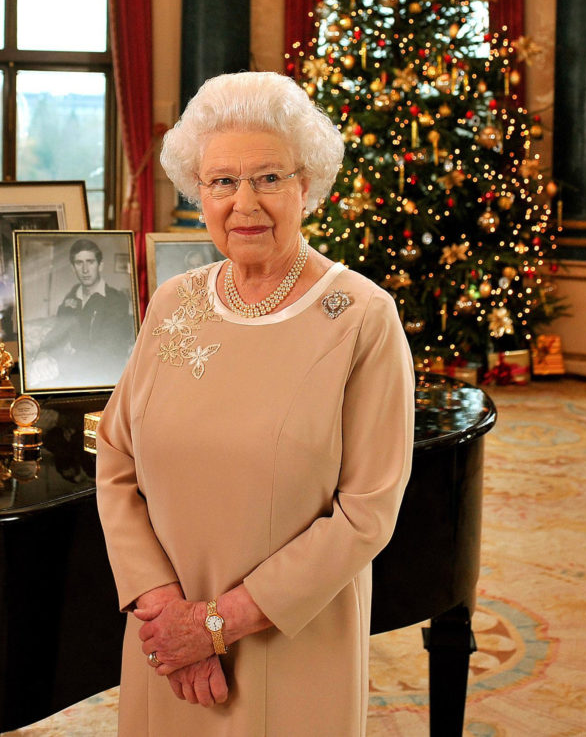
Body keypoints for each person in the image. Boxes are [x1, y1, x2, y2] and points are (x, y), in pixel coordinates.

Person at [95, 71, 415, 735]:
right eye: (222, 182)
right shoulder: (174, 301)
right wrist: (165, 612)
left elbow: (366, 513)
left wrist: (216, 624)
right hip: (165, 646)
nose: (245, 202)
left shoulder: (362, 317)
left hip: (291, 648)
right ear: (198, 192)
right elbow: (117, 458)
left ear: (308, 185)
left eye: (269, 178)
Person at [33, 238, 135, 387]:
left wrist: (59, 365)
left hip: (105, 375)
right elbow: (58, 331)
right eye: (79, 263)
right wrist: (43, 353)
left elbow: (107, 349)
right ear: (73, 268)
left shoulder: (116, 300)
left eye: (90, 262)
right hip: (73, 368)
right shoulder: (73, 295)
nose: (85, 269)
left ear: (100, 265)